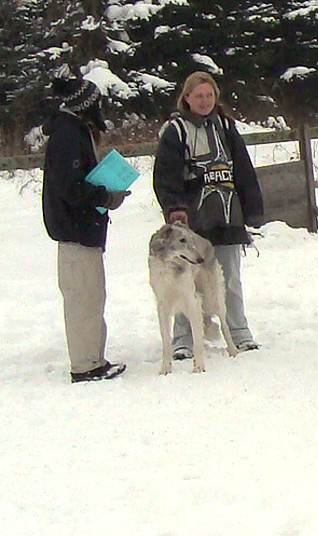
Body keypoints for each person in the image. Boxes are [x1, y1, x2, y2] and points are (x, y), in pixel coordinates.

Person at [153, 71, 264, 359]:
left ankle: (238, 331)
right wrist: (174, 206)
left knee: (228, 277)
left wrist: (253, 209)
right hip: (192, 219)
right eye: (199, 95)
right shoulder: (176, 131)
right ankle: (184, 338)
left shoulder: (226, 127)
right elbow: (165, 174)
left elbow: (243, 169)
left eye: (209, 95)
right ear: (187, 98)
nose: (204, 101)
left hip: (226, 212)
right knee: (186, 278)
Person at [42, 75, 130, 383]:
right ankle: (85, 366)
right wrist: (106, 195)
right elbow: (71, 187)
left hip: (83, 230)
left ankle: (93, 358)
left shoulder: (73, 131)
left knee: (91, 296)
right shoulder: (68, 135)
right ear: (86, 104)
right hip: (75, 231)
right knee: (83, 299)